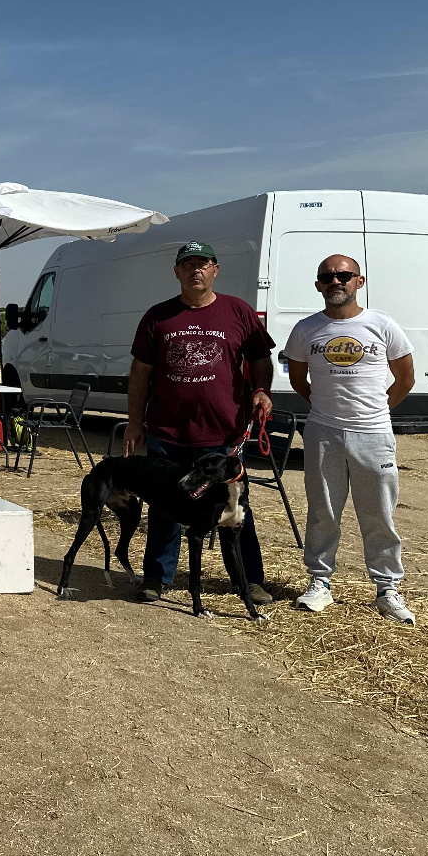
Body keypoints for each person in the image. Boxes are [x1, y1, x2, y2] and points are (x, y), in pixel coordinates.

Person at [125, 240, 275, 604]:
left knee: (235, 510)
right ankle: (157, 578)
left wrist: (261, 390)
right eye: (188, 263)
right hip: (167, 431)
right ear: (176, 271)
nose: (196, 269)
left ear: (215, 270)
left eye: (203, 263)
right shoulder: (158, 316)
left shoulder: (238, 312)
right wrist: (134, 421)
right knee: (165, 507)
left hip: (222, 434)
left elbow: (259, 358)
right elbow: (140, 372)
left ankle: (248, 581)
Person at [284, 255, 417, 623]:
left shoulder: (382, 324)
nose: (335, 281)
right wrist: (326, 409)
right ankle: (319, 583)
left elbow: (405, 378)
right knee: (323, 511)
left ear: (359, 281)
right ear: (318, 286)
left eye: (344, 276)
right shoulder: (306, 330)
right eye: (327, 277)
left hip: (373, 435)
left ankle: (387, 589)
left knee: (378, 514)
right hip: (323, 432)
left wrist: (376, 412)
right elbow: (299, 380)